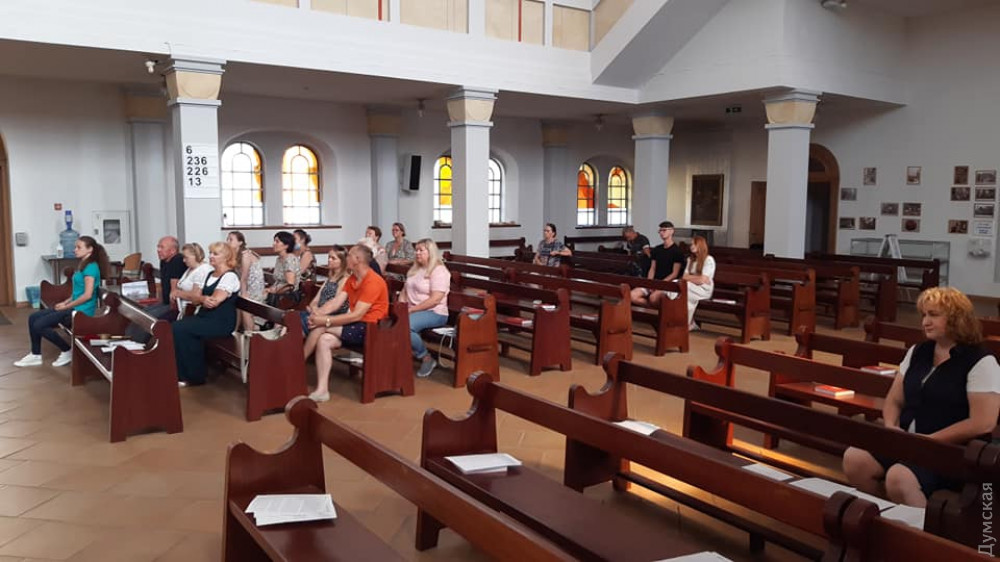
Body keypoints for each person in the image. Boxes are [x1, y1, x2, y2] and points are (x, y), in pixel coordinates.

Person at [842, 287, 1000, 507]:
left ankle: (921, 527)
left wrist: (929, 441)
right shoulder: (919, 351)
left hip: (952, 450)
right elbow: (894, 399)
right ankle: (882, 516)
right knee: (855, 459)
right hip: (910, 442)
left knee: (899, 477)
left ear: (957, 319)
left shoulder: (980, 361)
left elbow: (983, 422)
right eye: (924, 315)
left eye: (933, 315)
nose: (925, 322)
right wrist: (891, 427)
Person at [307, 245, 389, 402]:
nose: (347, 258)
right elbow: (336, 302)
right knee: (324, 340)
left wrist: (324, 320)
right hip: (357, 324)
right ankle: (322, 390)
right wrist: (318, 314)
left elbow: (357, 315)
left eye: (349, 255)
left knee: (321, 327)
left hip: (371, 328)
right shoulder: (353, 278)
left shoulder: (373, 281)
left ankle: (298, 364)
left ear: (358, 260)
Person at [15, 236, 110, 368]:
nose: (75, 250)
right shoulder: (84, 265)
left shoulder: (91, 268)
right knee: (33, 317)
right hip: (73, 307)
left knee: (39, 325)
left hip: (81, 312)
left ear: (90, 249)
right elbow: (77, 292)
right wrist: (65, 303)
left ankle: (66, 350)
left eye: (78, 247)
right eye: (75, 247)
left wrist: (67, 306)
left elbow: (87, 295)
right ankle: (35, 355)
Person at [171, 241, 241, 387]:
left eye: (215, 254)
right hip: (205, 317)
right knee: (177, 327)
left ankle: (194, 376)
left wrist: (201, 298)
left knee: (180, 328)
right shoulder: (209, 274)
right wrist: (202, 299)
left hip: (221, 321)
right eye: (210, 253)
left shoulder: (230, 277)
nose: (211, 256)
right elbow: (195, 299)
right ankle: (185, 373)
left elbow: (214, 301)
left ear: (226, 257)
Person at [405, 239, 450, 378]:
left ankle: (426, 358)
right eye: (416, 250)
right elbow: (404, 290)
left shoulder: (439, 271)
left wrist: (411, 310)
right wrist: (401, 307)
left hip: (434, 312)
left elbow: (435, 299)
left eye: (421, 250)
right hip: (414, 310)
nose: (417, 253)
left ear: (430, 252)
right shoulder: (415, 269)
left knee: (406, 326)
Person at [302, 246, 350, 359]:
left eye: (333, 258)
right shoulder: (330, 278)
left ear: (342, 261)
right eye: (329, 257)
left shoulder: (345, 279)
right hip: (318, 313)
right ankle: (288, 357)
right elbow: (315, 300)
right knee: (293, 320)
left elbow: (335, 304)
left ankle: (299, 360)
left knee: (304, 325)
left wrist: (317, 314)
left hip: (333, 316)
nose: (329, 260)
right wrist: (314, 309)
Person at [630, 221, 685, 306]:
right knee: (632, 295)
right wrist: (650, 283)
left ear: (672, 231)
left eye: (664, 230)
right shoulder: (657, 249)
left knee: (653, 298)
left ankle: (659, 311)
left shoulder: (677, 251)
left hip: (667, 284)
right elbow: (652, 268)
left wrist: (659, 285)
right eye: (660, 231)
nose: (661, 233)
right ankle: (651, 310)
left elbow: (674, 274)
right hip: (654, 282)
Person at [228, 231, 264, 332]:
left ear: (240, 242)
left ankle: (249, 332)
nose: (228, 242)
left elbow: (244, 277)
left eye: (231, 240)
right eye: (227, 239)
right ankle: (235, 330)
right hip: (245, 287)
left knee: (242, 303)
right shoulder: (234, 255)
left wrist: (243, 294)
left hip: (254, 290)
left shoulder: (245, 255)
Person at [169, 243, 213, 321]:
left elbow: (195, 295)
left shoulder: (203, 270)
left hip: (191, 311)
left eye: (186, 257)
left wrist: (178, 293)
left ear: (195, 256)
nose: (184, 260)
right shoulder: (190, 268)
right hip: (181, 309)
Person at [147, 236, 186, 320]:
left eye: (162, 247)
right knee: (142, 312)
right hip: (165, 302)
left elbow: (174, 291)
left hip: (175, 305)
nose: (158, 250)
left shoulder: (178, 260)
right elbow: (163, 284)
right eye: (158, 247)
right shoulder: (163, 261)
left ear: (173, 250)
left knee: (148, 317)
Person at [681, 236, 716, 330]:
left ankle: (686, 323)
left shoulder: (708, 260)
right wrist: (697, 278)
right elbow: (684, 277)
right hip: (691, 287)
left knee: (685, 288)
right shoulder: (690, 260)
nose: (691, 246)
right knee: (681, 289)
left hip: (704, 290)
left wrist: (690, 278)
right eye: (691, 244)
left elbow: (702, 280)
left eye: (694, 244)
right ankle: (686, 322)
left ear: (700, 245)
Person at [265, 231, 300, 307]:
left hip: (288, 296)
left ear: (286, 245)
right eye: (274, 241)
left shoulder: (290, 259)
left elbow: (290, 285)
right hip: (277, 292)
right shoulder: (279, 259)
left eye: (277, 241)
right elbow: (279, 282)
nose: (274, 244)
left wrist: (273, 291)